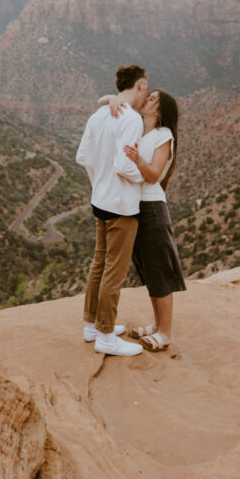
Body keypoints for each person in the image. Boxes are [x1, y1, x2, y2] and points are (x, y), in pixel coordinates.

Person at [106, 88, 186, 352]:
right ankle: (157, 325)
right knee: (149, 270)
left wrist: (137, 158)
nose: (148, 100)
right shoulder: (138, 127)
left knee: (159, 269)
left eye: (153, 99)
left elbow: (153, 176)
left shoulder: (164, 136)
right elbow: (103, 102)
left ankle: (165, 332)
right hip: (134, 206)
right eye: (148, 96)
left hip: (152, 206)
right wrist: (115, 99)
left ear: (160, 111)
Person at [76, 64, 148, 356]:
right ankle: (106, 335)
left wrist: (99, 182)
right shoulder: (131, 119)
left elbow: (83, 156)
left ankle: (91, 325)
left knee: (99, 263)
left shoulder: (100, 114)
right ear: (140, 85)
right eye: (147, 88)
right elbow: (124, 164)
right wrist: (142, 176)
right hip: (121, 205)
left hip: (100, 201)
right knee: (114, 272)